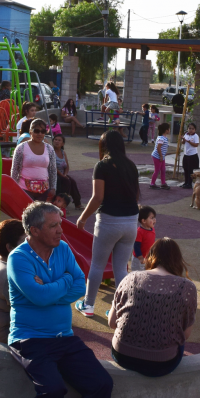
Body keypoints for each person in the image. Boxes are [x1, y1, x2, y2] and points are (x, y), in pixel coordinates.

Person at [7, 202, 113, 398]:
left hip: (64, 337)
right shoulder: (18, 258)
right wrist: (63, 282)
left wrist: (51, 287)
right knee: (53, 391)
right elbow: (40, 297)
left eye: (60, 224)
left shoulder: (63, 249)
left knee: (102, 383)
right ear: (34, 230)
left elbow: (80, 285)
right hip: (30, 339)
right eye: (53, 225)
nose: (60, 230)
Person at [108, 237, 197, 377]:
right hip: (162, 364)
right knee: (178, 344)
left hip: (122, 355)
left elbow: (112, 323)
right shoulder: (187, 287)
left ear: (150, 256)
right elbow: (185, 335)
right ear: (178, 260)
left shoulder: (131, 277)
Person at [75, 130, 140, 318]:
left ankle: (88, 305)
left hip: (109, 221)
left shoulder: (102, 166)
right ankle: (123, 309)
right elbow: (135, 197)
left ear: (103, 146)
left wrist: (83, 217)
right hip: (131, 221)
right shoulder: (131, 166)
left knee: (97, 265)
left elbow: (98, 197)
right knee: (120, 268)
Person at [11, 118, 57, 201]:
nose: (40, 134)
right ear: (30, 131)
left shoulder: (49, 149)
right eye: (36, 131)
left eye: (43, 131)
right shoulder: (21, 148)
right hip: (24, 188)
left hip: (44, 189)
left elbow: (53, 169)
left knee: (40, 213)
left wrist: (53, 187)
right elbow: (15, 169)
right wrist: (13, 187)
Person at [52, 133, 81, 208]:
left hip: (62, 174)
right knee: (66, 181)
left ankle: (77, 203)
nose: (57, 141)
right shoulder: (51, 152)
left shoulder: (63, 152)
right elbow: (53, 167)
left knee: (72, 181)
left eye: (59, 140)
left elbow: (67, 166)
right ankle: (63, 203)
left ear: (63, 144)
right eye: (55, 140)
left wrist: (65, 174)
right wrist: (62, 176)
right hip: (54, 174)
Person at [131, 205, 157, 271]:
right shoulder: (139, 232)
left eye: (154, 217)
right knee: (137, 274)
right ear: (144, 221)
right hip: (139, 259)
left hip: (148, 257)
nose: (154, 219)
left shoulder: (152, 229)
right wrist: (140, 258)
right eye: (152, 218)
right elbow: (136, 246)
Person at [149, 121, 171, 190]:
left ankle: (163, 183)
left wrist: (163, 155)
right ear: (166, 130)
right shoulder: (161, 138)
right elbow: (158, 147)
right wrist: (161, 156)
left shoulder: (164, 138)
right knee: (157, 170)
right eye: (169, 129)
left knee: (163, 169)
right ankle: (152, 183)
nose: (169, 130)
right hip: (157, 156)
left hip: (161, 157)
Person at [180, 123, 200, 189]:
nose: (191, 130)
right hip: (186, 154)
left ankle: (189, 183)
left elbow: (196, 145)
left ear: (195, 130)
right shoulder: (186, 134)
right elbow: (183, 142)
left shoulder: (195, 136)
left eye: (192, 129)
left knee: (190, 170)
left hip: (192, 155)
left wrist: (189, 141)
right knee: (185, 168)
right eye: (189, 128)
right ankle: (186, 182)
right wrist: (183, 139)